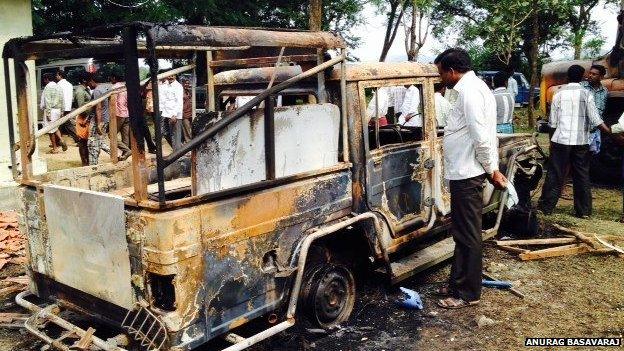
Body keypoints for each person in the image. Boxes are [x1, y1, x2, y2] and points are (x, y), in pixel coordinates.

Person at [434, 48, 507, 309]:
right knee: (462, 233)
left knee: (468, 235)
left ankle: (467, 292)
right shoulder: (469, 89)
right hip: (464, 171)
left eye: (441, 72)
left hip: (469, 173)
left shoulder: (469, 92)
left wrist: (492, 169)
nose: (440, 77)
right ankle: (458, 283)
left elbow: (481, 136)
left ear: (452, 71)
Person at [537, 65, 611, 218]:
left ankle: (546, 207)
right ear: (583, 77)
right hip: (581, 141)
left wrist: (552, 141)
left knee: (555, 173)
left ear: (567, 77)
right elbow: (596, 120)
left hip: (561, 140)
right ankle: (583, 211)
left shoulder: (558, 94)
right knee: (582, 175)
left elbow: (553, 123)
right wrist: (611, 133)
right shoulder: (587, 94)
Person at [86, 74, 116, 165]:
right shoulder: (107, 88)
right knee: (100, 141)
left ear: (92, 81)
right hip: (106, 118)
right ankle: (115, 154)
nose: (88, 85)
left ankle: (93, 164)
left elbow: (98, 108)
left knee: (92, 143)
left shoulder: (97, 91)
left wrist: (98, 123)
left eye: (89, 82)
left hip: (99, 120)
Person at [581, 65, 608, 155]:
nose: (590, 75)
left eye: (594, 74)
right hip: (582, 131)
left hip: (596, 132)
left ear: (601, 77)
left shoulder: (604, 91)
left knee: (593, 158)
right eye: (590, 73)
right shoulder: (582, 87)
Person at [40, 73, 67, 154]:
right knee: (55, 127)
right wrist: (62, 111)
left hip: (51, 110)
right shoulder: (58, 86)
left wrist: (48, 113)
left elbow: (48, 101)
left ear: (47, 79)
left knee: (50, 130)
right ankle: (61, 140)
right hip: (58, 110)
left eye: (44, 80)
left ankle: (55, 148)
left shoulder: (48, 87)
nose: (44, 81)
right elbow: (62, 99)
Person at [110, 72, 132, 160]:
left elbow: (114, 102)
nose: (110, 80)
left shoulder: (114, 88)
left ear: (114, 78)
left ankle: (127, 150)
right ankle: (124, 155)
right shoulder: (126, 87)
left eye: (111, 78)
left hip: (119, 114)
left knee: (111, 135)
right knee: (125, 136)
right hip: (127, 114)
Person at [160, 75, 184, 150]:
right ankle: (177, 151)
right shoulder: (166, 85)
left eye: (172, 76)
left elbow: (179, 101)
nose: (170, 77)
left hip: (174, 115)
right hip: (166, 114)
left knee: (175, 136)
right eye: (169, 76)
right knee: (166, 133)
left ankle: (177, 154)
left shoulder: (178, 86)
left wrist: (174, 115)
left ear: (175, 76)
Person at [55, 69, 79, 143]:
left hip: (62, 107)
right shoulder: (69, 84)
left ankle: (78, 139)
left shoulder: (58, 85)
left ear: (60, 76)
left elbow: (59, 97)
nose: (56, 77)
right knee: (63, 124)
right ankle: (59, 141)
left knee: (63, 124)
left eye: (57, 75)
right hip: (68, 106)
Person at [74, 72, 92, 166]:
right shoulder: (80, 91)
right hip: (83, 118)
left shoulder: (85, 89)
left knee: (86, 141)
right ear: (85, 80)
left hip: (87, 118)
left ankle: (87, 161)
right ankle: (84, 162)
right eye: (90, 80)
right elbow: (81, 108)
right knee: (82, 141)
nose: (91, 82)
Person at [182, 78, 193, 142]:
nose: (187, 84)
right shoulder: (181, 92)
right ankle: (189, 142)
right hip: (184, 113)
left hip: (190, 112)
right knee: (186, 129)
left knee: (190, 128)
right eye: (185, 83)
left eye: (188, 83)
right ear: (183, 84)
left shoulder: (189, 91)